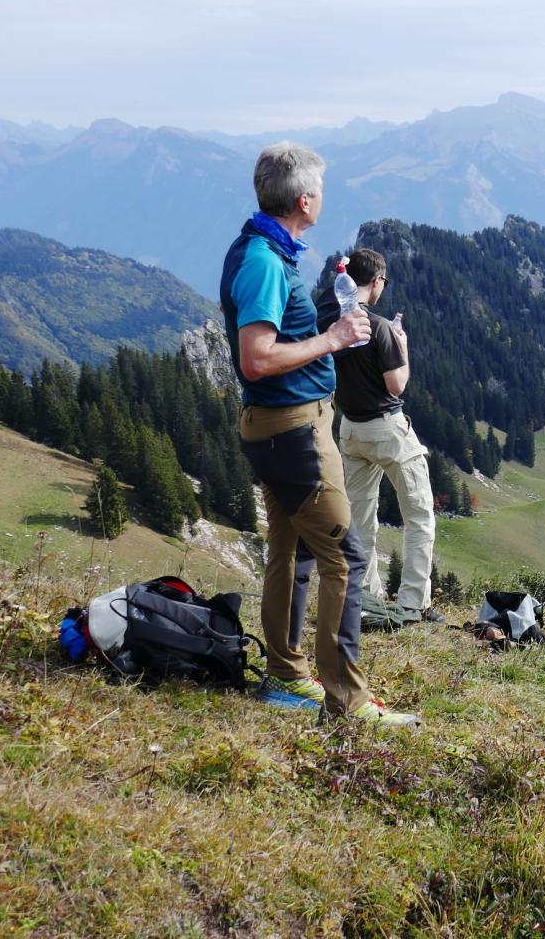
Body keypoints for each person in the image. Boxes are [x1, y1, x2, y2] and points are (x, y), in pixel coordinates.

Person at [221, 142, 418, 727]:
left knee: (288, 548)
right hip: (293, 432)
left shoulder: (264, 249)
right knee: (346, 559)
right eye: (322, 192)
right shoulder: (261, 260)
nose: (324, 200)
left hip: (281, 427)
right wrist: (332, 341)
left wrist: (334, 330)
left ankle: (284, 675)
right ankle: (347, 699)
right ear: (304, 199)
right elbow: (255, 358)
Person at [314, 248, 442, 623]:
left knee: (360, 518)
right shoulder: (379, 326)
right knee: (418, 514)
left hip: (349, 427)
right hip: (387, 428)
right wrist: (403, 347)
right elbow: (397, 385)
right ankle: (413, 603)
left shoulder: (329, 317)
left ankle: (365, 599)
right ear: (377, 281)